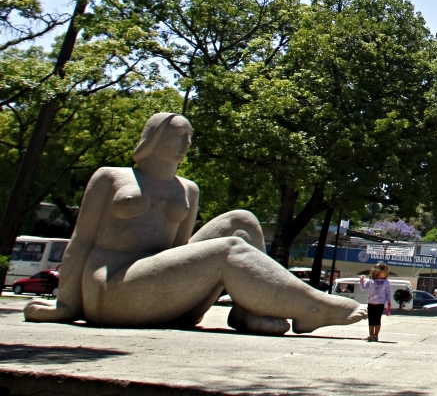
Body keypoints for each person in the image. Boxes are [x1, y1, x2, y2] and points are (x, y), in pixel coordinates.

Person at [23, 113, 366, 334]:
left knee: (240, 222)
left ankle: (247, 311)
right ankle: (313, 306)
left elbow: (179, 253)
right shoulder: (112, 177)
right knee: (229, 248)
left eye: (189, 138)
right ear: (154, 137)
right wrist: (65, 305)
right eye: (177, 136)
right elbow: (81, 240)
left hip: (160, 289)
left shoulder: (187, 189)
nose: (186, 145)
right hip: (112, 290)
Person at [359, 263, 392, 342]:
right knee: (371, 320)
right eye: (383, 272)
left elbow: (389, 292)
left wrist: (389, 302)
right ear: (376, 272)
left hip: (380, 304)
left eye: (386, 272)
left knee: (377, 319)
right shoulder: (371, 281)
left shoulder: (386, 282)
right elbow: (363, 288)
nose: (385, 274)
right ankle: (371, 335)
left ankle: (376, 335)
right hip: (371, 303)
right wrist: (361, 280)